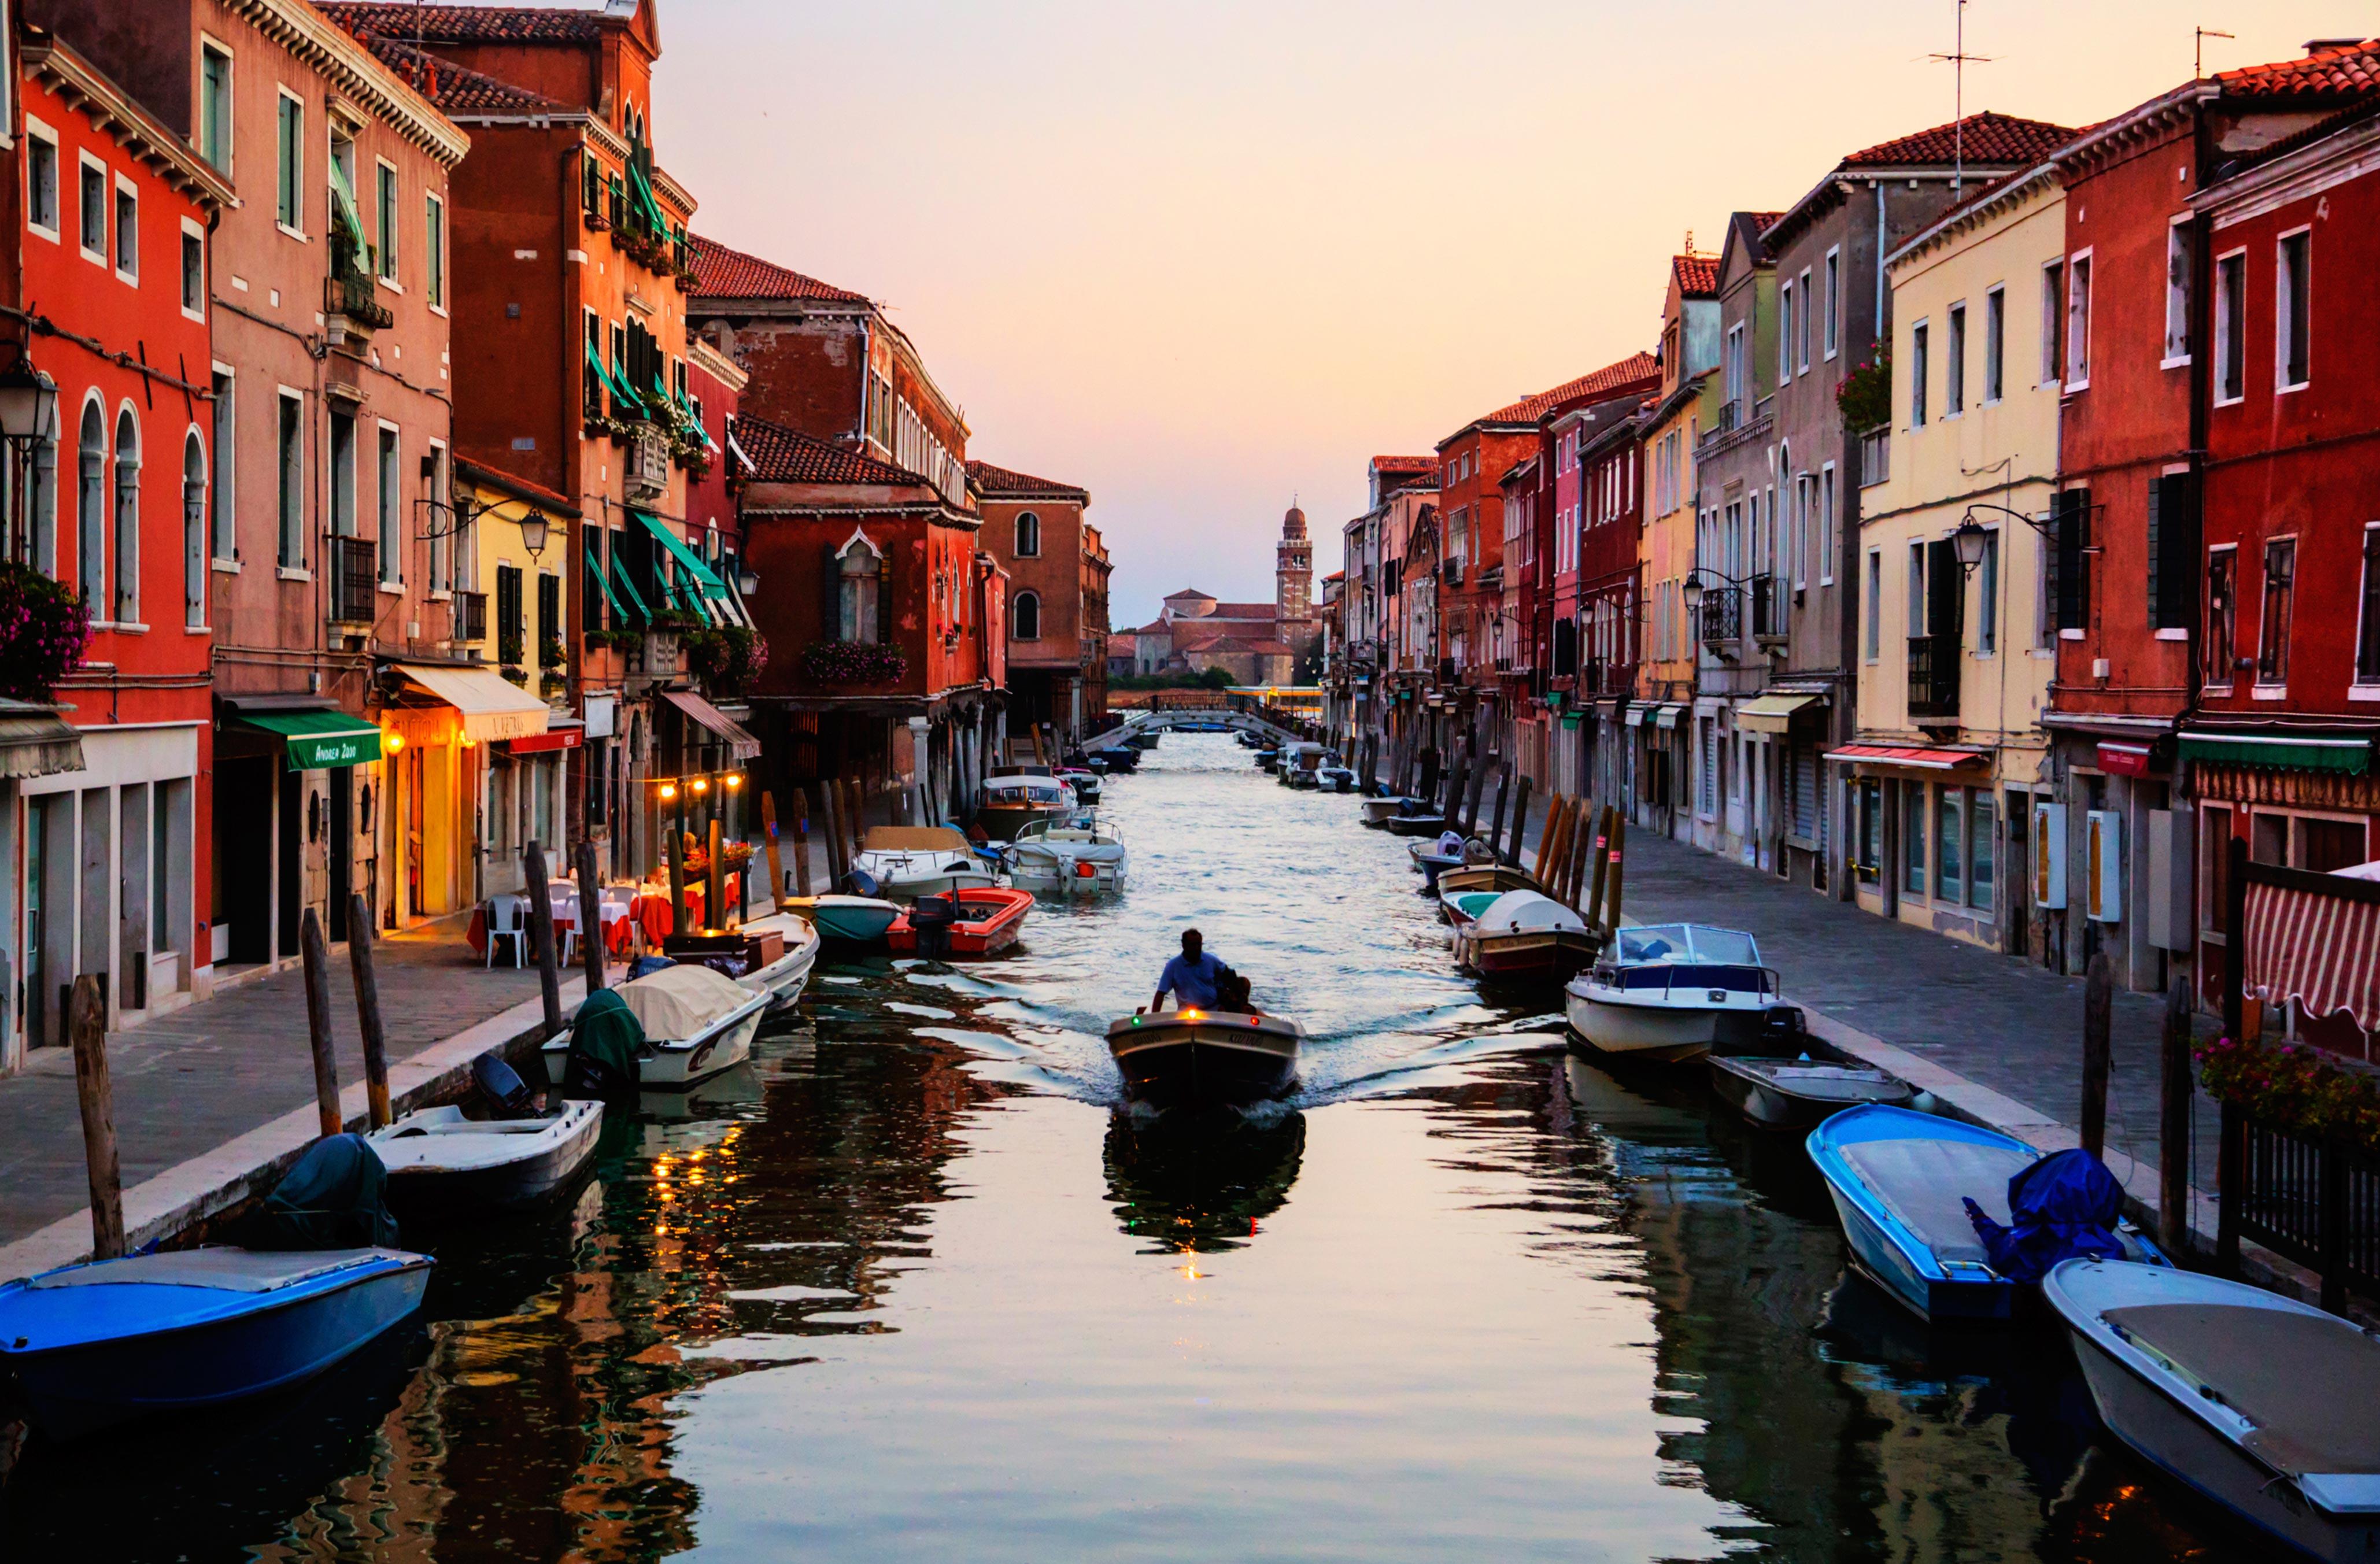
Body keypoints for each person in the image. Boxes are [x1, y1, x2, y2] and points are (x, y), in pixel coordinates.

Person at [1151, 927, 1226, 1012]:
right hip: (1186, 1013)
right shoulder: (1173, 966)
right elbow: (1161, 993)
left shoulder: (1212, 960)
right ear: (1184, 945)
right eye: (1192, 945)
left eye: (1199, 944)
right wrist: (1154, 1015)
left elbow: (1229, 975)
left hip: (1213, 1010)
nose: (1196, 948)